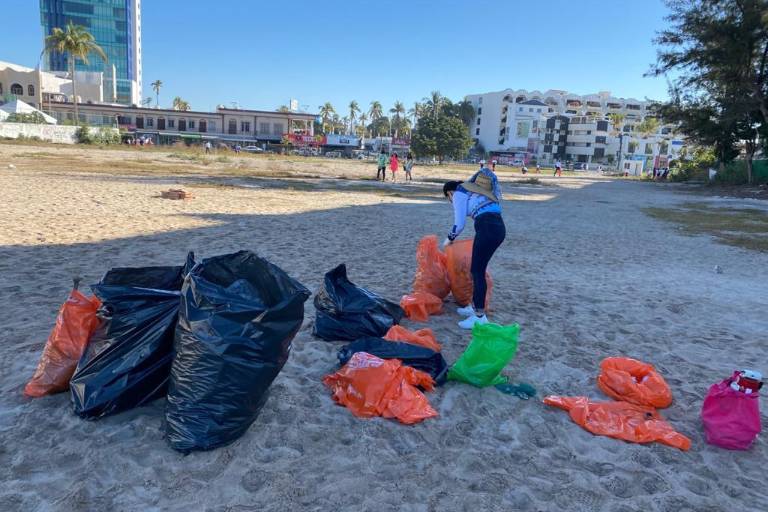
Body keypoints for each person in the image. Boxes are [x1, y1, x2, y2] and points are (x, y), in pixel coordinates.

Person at [442, 160, 506, 329]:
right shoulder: (473, 191)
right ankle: (474, 308)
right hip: (497, 229)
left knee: (477, 271)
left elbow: (459, 224)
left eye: (448, 197)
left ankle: (479, 316)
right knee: (478, 269)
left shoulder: (458, 193)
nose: (450, 200)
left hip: (487, 229)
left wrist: (449, 239)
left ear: (449, 192)